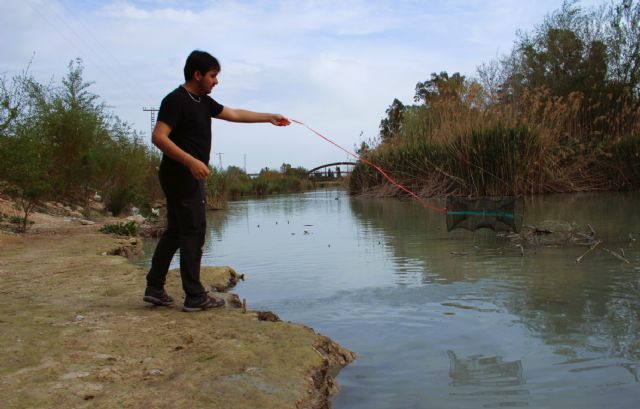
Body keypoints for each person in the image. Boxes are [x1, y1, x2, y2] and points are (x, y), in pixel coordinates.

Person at [143, 50, 290, 312]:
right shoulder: (176, 100)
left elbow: (234, 113)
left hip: (189, 174)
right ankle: (194, 296)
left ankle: (154, 288)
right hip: (181, 175)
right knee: (193, 232)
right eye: (213, 76)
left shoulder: (202, 101)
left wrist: (268, 117)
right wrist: (190, 161)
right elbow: (158, 137)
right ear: (197, 75)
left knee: (176, 232)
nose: (216, 81)